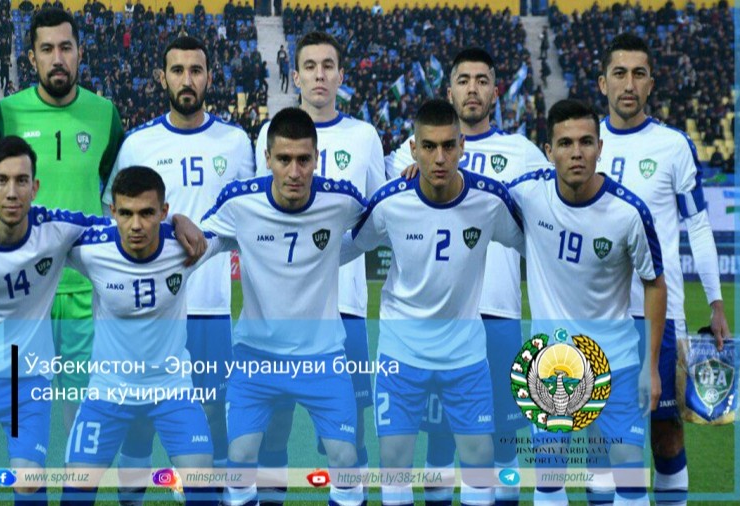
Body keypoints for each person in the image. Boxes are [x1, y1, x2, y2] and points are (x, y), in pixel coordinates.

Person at [0, 137, 205, 504]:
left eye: (22, 180)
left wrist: (177, 220)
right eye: (2, 180)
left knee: (27, 480)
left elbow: (120, 225)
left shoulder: (57, 229)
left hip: (23, 378)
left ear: (35, 187)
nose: (12, 192)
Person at [386, 47, 548, 506]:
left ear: (496, 91)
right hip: (439, 326)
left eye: (482, 80)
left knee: (505, 442)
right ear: (449, 90)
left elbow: (546, 217)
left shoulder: (522, 153)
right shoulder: (410, 152)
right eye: (463, 80)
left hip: (499, 315)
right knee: (438, 443)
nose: (472, 89)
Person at [345, 99, 525, 506]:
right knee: (395, 465)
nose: (439, 158)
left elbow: (536, 244)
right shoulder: (391, 201)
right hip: (401, 356)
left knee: (479, 464)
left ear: (462, 146)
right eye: (428, 147)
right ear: (413, 149)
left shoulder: (489, 200)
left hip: (465, 358)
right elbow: (346, 246)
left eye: (447, 146)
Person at [101, 35, 254, 505]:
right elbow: (114, 219)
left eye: (196, 70)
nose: (187, 80)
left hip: (211, 311)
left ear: (209, 76)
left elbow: (249, 216)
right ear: (161, 77)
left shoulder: (236, 142)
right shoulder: (138, 143)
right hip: (151, 317)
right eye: (177, 70)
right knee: (138, 429)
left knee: (212, 428)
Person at [202, 107, 367, 506]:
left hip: (323, 358)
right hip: (256, 358)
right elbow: (201, 240)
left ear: (317, 158)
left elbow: (380, 221)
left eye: (304, 160)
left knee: (346, 460)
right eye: (284, 159)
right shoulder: (240, 203)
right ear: (267, 159)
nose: (295, 171)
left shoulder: (341, 200)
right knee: (240, 457)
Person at [507, 99, 667, 506]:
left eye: (585, 142)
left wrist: (650, 365)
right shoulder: (529, 193)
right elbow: (472, 193)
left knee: (629, 475)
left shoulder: (629, 212)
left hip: (616, 362)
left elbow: (654, 284)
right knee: (549, 476)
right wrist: (419, 173)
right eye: (565, 143)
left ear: (600, 147)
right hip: (550, 364)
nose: (576, 152)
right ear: (549, 151)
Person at [596, 33, 730, 506]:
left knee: (666, 434)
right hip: (598, 315)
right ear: (603, 83)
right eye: (619, 73)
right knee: (604, 440)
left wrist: (716, 303)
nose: (628, 84)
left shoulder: (673, 146)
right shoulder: (582, 143)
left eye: (638, 74)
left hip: (660, 317)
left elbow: (699, 226)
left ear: (651, 83)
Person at [253, 32, 385, 504]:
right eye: (310, 67)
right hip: (280, 313)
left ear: (341, 75)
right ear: (295, 76)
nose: (320, 75)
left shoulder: (364, 137)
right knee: (273, 430)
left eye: (328, 66)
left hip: (344, 308)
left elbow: (377, 218)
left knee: (347, 438)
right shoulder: (268, 135)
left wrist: (334, 254)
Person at [0, 7, 125, 434]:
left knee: (81, 410)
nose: (58, 58)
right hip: (26, 288)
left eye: (66, 47)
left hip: (86, 288)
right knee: (23, 408)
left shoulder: (105, 114)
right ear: (32, 58)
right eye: (47, 49)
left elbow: (115, 190)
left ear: (80, 52)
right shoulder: (7, 114)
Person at [60, 167, 228, 506]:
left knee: (204, 488)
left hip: (171, 389)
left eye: (147, 213)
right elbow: (35, 233)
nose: (136, 225)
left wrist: (183, 221)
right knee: (74, 494)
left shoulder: (185, 246)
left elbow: (236, 227)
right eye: (126, 213)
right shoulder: (91, 249)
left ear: (163, 211)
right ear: (112, 212)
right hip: (108, 391)